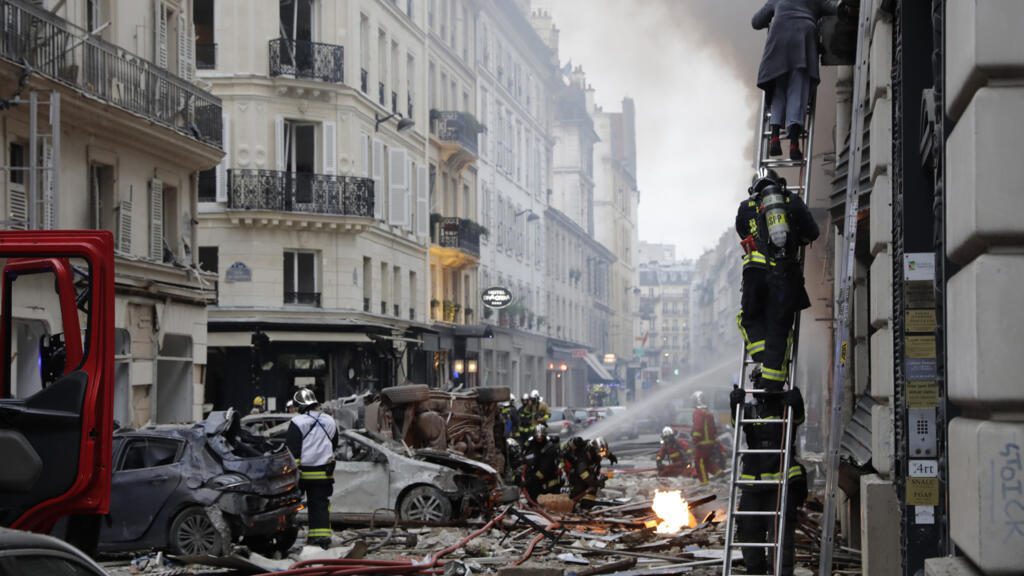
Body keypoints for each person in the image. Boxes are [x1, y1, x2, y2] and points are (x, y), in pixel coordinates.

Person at [735, 171, 820, 391]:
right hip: (784, 277)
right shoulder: (792, 202)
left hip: (754, 274)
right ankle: (772, 383)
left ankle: (759, 353)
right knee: (779, 327)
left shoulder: (745, 207)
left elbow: (742, 231)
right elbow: (813, 232)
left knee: (749, 317)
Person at [729, 385, 807, 576]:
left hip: (780, 484)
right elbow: (736, 422)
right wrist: (735, 405)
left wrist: (797, 403)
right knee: (747, 529)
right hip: (753, 484)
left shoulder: (785, 406)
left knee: (780, 538)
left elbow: (798, 419)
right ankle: (755, 571)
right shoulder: (750, 410)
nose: (761, 387)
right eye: (758, 382)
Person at [752, 0, 841, 160]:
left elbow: (756, 22)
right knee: (797, 91)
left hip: (778, 42)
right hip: (803, 42)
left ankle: (774, 137)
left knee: (778, 90)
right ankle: (794, 144)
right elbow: (837, 9)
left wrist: (771, 18)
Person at [286, 388, 339, 549]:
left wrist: (292, 473)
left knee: (290, 507)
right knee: (320, 506)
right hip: (324, 473)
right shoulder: (330, 421)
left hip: (303, 474)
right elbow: (334, 444)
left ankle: (286, 537)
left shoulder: (297, 422)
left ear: (300, 406)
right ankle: (320, 539)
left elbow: (292, 450)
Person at [562, 437, 618, 502]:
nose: (601, 455)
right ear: (593, 449)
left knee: (593, 489)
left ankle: (588, 504)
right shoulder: (583, 455)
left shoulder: (595, 451)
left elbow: (602, 452)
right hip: (577, 474)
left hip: (587, 472)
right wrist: (593, 483)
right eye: (599, 452)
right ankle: (574, 502)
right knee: (580, 488)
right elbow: (582, 472)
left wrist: (610, 456)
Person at [522, 424, 562, 500]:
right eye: (537, 437)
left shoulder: (549, 448)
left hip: (549, 481)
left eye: (541, 437)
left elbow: (544, 469)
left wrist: (530, 481)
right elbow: (524, 459)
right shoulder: (531, 444)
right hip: (535, 477)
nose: (539, 439)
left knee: (548, 501)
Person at [690, 391, 720, 483]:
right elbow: (714, 428)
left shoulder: (698, 412)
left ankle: (704, 482)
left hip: (702, 442)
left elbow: (698, 427)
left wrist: (695, 440)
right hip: (710, 442)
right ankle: (719, 473)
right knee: (707, 461)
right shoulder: (708, 412)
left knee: (699, 462)